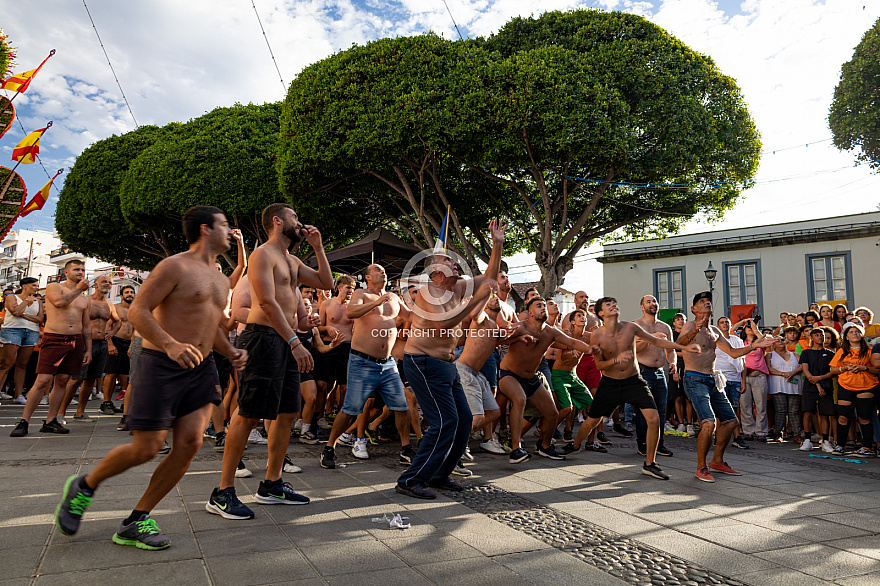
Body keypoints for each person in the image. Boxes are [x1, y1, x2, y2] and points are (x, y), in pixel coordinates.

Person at [53, 206, 248, 549]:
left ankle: (137, 520)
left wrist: (229, 352)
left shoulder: (218, 278)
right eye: (224, 224)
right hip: (161, 361)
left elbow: (210, 324)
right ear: (205, 229)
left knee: (190, 443)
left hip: (199, 367)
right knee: (147, 447)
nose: (230, 230)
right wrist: (171, 344)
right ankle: (84, 486)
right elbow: (140, 310)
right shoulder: (174, 266)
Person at [207, 203, 332, 520]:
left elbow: (326, 283)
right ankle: (222, 492)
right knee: (248, 414)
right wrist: (294, 342)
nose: (299, 222)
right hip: (263, 339)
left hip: (285, 339)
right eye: (294, 217)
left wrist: (318, 247)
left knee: (287, 412)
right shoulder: (263, 254)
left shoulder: (292, 259)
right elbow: (265, 301)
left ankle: (272, 483)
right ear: (277, 221)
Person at [395, 220, 504, 500]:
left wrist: (497, 244)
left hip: (446, 364)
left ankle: (439, 475)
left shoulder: (459, 289)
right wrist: (470, 304)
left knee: (464, 420)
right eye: (448, 261)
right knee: (444, 422)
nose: (455, 264)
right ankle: (410, 479)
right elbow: (440, 327)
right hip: (422, 362)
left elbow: (490, 276)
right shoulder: (426, 295)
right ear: (435, 272)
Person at [562, 297, 699, 480]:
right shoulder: (597, 335)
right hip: (610, 383)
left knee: (654, 418)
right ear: (601, 313)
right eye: (609, 305)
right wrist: (616, 360)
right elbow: (600, 365)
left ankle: (650, 463)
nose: (614, 306)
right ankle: (576, 445)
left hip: (634, 381)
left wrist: (685, 348)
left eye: (615, 304)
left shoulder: (630, 327)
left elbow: (657, 342)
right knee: (592, 420)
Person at [320, 264, 415, 468]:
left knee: (401, 406)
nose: (383, 272)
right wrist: (378, 302)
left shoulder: (395, 297)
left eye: (384, 270)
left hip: (388, 363)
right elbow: (352, 313)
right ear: (368, 277)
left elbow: (411, 317)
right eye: (378, 270)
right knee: (350, 409)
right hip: (362, 361)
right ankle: (329, 448)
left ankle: (406, 450)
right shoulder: (361, 294)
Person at [676, 292, 772, 483]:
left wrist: (755, 345)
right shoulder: (689, 325)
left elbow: (734, 352)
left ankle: (717, 460)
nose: (706, 303)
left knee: (730, 421)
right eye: (701, 302)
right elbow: (678, 345)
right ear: (694, 309)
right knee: (709, 423)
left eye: (708, 301)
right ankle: (701, 467)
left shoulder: (714, 331)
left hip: (712, 378)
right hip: (694, 378)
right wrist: (694, 330)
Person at [499, 297, 596, 463]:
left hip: (531, 379)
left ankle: (545, 446)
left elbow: (572, 342)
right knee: (519, 400)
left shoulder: (550, 332)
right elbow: (496, 340)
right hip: (509, 375)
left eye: (544, 305)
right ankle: (516, 449)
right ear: (530, 313)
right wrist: (517, 338)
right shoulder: (520, 327)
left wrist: (593, 350)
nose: (543, 308)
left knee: (552, 413)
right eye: (539, 306)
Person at [10, 260, 92, 437]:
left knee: (62, 381)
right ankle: (24, 421)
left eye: (83, 270)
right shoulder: (55, 287)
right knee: (43, 380)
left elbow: (86, 326)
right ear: (66, 272)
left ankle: (50, 421)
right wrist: (79, 290)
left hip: (75, 340)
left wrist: (89, 350)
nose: (81, 272)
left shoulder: (85, 299)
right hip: (54, 338)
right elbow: (58, 303)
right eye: (76, 269)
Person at [61, 274, 120, 420]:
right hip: (84, 343)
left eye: (109, 282)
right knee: (76, 379)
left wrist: (111, 333)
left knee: (91, 379)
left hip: (102, 344)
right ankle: (59, 413)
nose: (107, 284)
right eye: (104, 282)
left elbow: (118, 322)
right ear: (95, 284)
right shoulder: (85, 300)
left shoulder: (109, 305)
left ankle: (80, 412)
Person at [633, 295, 675, 458]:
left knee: (661, 411)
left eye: (655, 301)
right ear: (642, 307)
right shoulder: (637, 325)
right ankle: (643, 444)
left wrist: (673, 363)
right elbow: (634, 349)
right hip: (643, 371)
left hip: (659, 372)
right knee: (646, 410)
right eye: (648, 302)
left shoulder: (665, 327)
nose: (653, 304)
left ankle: (659, 444)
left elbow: (670, 350)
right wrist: (651, 338)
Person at [830, 322, 879, 457]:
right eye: (851, 332)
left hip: (867, 386)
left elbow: (877, 369)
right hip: (846, 386)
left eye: (857, 332)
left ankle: (867, 447)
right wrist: (845, 368)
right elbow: (833, 369)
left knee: (864, 418)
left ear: (862, 335)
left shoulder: (870, 350)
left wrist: (864, 368)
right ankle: (840, 445)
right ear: (846, 337)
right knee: (843, 417)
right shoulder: (841, 351)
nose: (854, 334)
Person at [0, 278, 44, 405]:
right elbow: (15, 312)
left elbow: (40, 318)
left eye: (37, 285)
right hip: (12, 330)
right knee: (5, 364)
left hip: (31, 332)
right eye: (33, 285)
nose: (36, 287)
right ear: (24, 286)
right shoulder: (12, 297)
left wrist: (23, 314)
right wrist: (25, 302)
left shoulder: (38, 301)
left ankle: (18, 395)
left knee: (22, 364)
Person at [101, 285, 136, 415]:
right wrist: (110, 344)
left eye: (132, 292)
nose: (130, 294)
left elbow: (135, 329)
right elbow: (108, 326)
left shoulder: (135, 310)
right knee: (111, 373)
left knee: (126, 374)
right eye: (127, 292)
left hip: (129, 343)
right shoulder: (116, 308)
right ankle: (106, 402)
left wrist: (132, 345)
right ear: (121, 296)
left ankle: (124, 404)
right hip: (116, 341)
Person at [799, 328, 835, 452]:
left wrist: (820, 380)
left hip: (827, 386)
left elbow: (832, 372)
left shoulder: (830, 354)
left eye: (822, 335)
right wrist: (818, 384)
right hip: (810, 386)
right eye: (817, 335)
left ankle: (825, 441)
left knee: (824, 414)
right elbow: (805, 370)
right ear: (812, 338)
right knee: (808, 412)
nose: (820, 337)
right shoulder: (806, 353)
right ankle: (807, 440)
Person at [715, 316, 748, 449]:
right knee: (718, 408)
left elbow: (743, 361)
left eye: (727, 322)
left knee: (734, 408)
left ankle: (737, 436)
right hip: (720, 377)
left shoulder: (737, 340)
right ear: (718, 326)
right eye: (722, 322)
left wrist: (743, 380)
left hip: (735, 378)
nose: (725, 324)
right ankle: (717, 436)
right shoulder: (715, 340)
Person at [739, 319, 770, 443]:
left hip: (759, 375)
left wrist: (756, 329)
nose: (750, 328)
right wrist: (743, 321)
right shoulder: (740, 342)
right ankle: (748, 431)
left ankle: (762, 432)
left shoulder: (760, 342)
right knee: (745, 405)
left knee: (761, 404)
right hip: (744, 377)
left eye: (751, 327)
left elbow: (768, 344)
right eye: (748, 327)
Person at [766, 338, 803, 442]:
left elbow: (802, 366)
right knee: (780, 410)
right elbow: (769, 368)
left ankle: (797, 434)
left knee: (794, 411)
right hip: (777, 384)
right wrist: (783, 374)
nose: (781, 341)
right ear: (773, 344)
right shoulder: (770, 355)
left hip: (794, 384)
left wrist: (792, 372)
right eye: (777, 340)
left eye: (782, 339)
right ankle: (778, 432)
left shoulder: (795, 354)